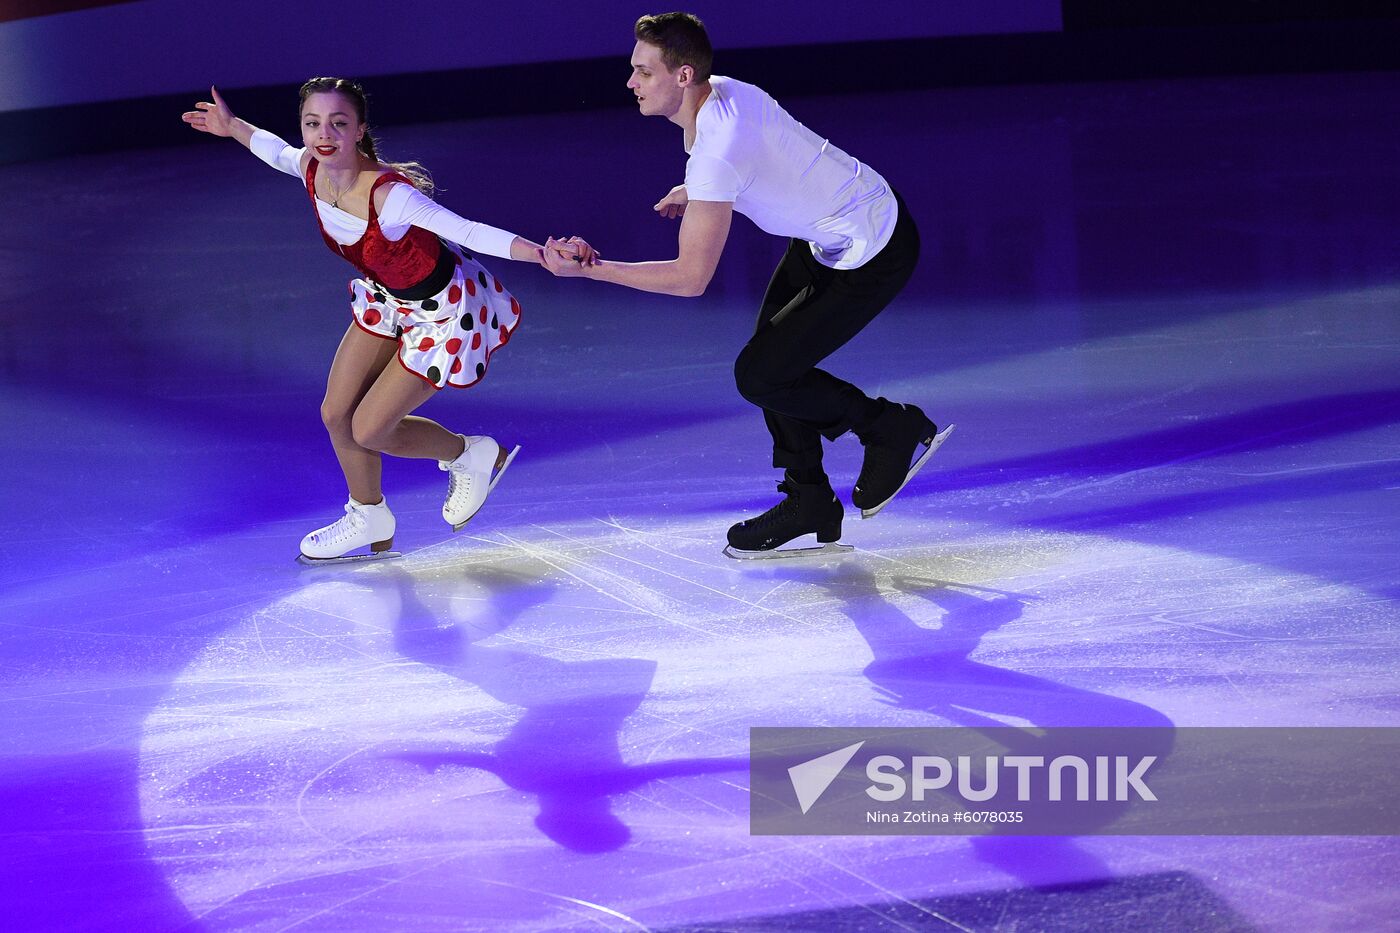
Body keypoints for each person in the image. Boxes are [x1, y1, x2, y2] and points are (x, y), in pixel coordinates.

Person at [542, 13, 954, 559]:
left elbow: (691, 280)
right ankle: (809, 500)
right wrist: (696, 190)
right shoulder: (726, 93)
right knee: (773, 368)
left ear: (683, 76)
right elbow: (764, 156)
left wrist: (594, 269)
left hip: (872, 247)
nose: (631, 83)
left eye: (643, 72)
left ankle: (890, 428)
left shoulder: (716, 151)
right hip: (825, 235)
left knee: (761, 374)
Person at [183, 78, 588, 563]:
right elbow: (276, 151)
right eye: (312, 123)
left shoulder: (390, 196)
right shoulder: (312, 168)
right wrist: (234, 127)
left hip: (440, 312)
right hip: (389, 299)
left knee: (370, 429)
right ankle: (368, 517)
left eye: (338, 122)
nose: (323, 133)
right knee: (336, 414)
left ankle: (469, 454)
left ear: (359, 130)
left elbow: (467, 230)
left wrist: (542, 254)